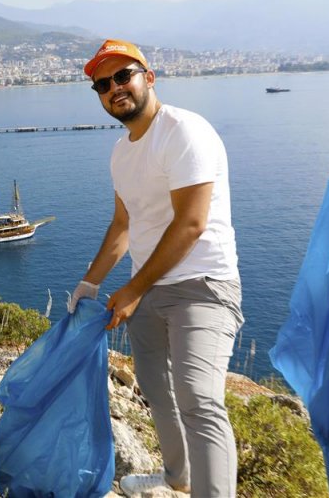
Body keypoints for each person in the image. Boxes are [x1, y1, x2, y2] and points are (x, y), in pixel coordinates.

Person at [67, 39, 244, 497]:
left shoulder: (184, 131)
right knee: (155, 388)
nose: (114, 89)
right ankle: (177, 477)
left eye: (123, 76)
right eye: (102, 85)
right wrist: (90, 284)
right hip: (148, 289)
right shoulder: (121, 153)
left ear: (149, 76)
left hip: (204, 284)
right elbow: (123, 225)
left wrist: (132, 290)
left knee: (199, 397)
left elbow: (191, 223)